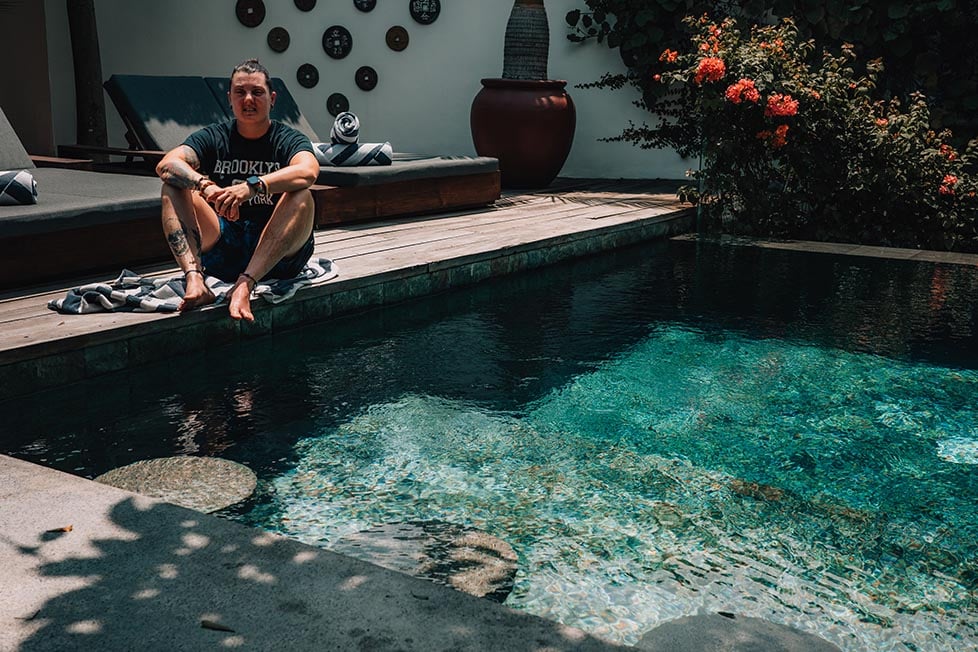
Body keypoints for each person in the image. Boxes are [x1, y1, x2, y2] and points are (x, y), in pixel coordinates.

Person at [156, 59, 320, 321]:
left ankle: (246, 284)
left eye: (257, 92)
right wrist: (204, 185)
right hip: (225, 246)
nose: (248, 99)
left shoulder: (287, 139)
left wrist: (252, 187)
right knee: (173, 185)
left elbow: (308, 171)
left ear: (272, 98)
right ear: (229, 98)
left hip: (277, 256)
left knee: (303, 196)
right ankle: (195, 279)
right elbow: (167, 164)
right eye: (239, 92)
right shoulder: (215, 136)